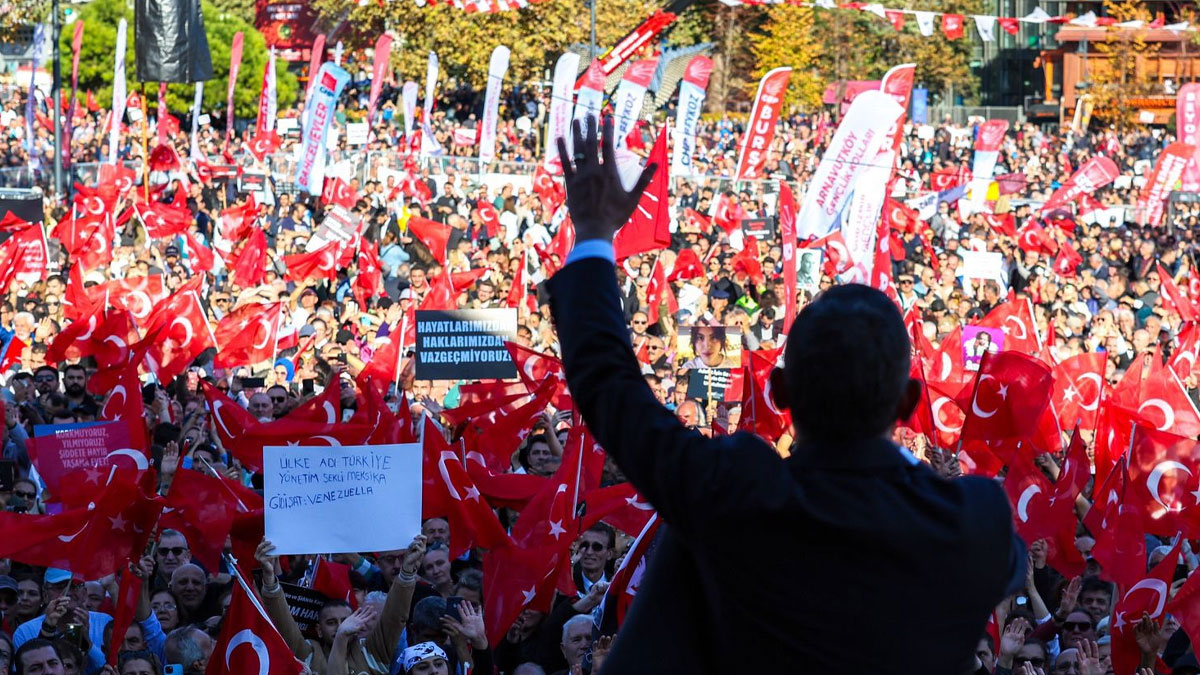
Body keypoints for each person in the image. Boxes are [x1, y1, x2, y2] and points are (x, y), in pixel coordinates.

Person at [547, 115, 1026, 673]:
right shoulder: (973, 521)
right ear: (910, 402)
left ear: (779, 390)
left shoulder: (735, 489)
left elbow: (609, 387)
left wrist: (595, 235)